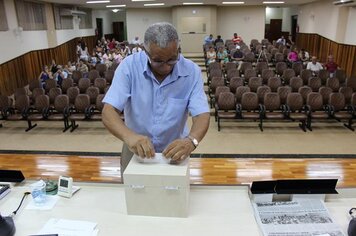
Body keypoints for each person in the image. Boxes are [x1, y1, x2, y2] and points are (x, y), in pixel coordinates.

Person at [102, 22, 210, 179]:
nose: (166, 67)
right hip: (135, 149)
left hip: (176, 150)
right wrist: (129, 137)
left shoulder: (191, 71)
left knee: (174, 197)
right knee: (134, 196)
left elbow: (201, 115)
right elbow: (108, 111)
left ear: (178, 49)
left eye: (172, 59)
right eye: (158, 61)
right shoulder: (129, 67)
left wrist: (191, 141)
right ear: (146, 51)